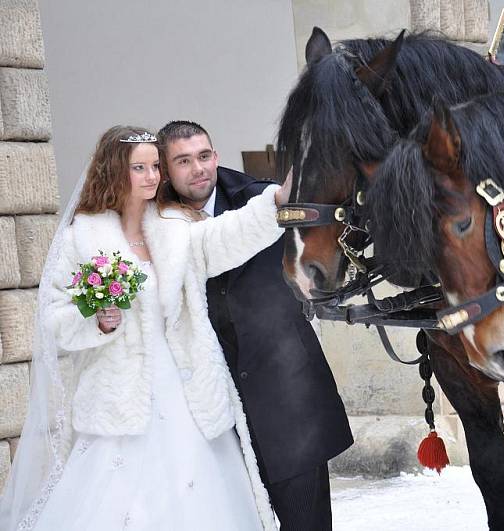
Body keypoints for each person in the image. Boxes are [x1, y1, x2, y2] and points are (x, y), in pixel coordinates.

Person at [0, 125, 290, 530]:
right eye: (140, 168)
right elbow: (54, 322)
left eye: (155, 166)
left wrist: (274, 202)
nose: (153, 176)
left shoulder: (175, 226)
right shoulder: (81, 238)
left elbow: (225, 237)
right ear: (115, 171)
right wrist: (98, 322)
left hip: (187, 391)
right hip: (118, 398)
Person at [157, 121, 353, 531]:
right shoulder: (156, 223)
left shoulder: (261, 199)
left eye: (205, 156)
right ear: (165, 168)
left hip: (288, 400)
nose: (199, 169)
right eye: (184, 161)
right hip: (215, 415)